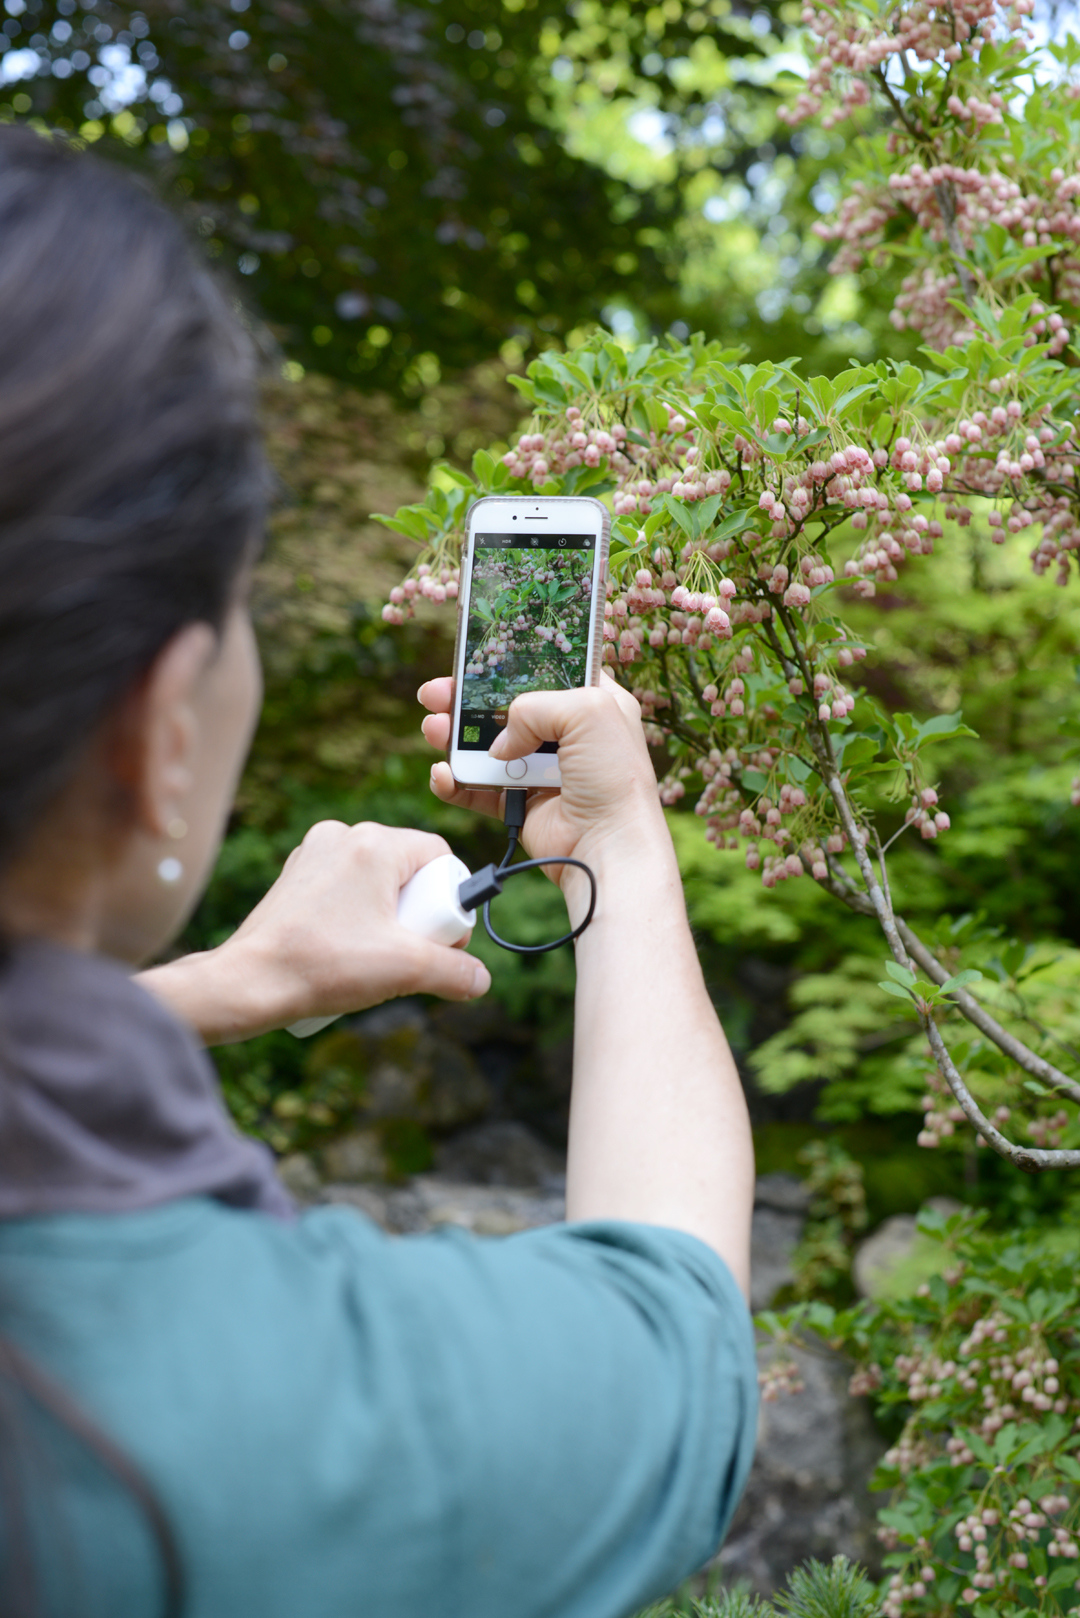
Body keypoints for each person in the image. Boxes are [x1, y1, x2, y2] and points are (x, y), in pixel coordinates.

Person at [0, 126, 757, 1618]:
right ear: (161, 733)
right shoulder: (282, 1414)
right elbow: (684, 1331)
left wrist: (227, 986)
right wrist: (619, 837)